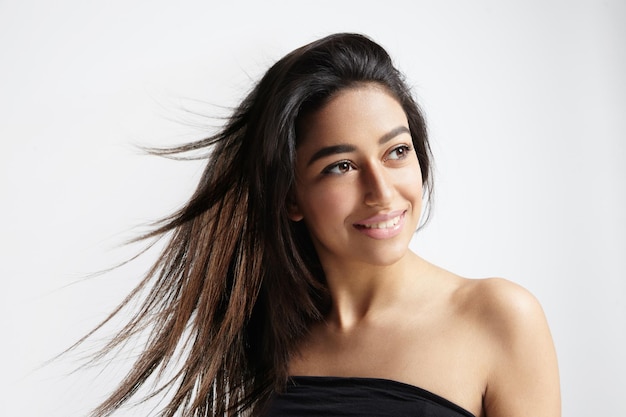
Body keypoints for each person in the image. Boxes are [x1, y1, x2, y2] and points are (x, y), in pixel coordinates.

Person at [81, 33, 560, 417]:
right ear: (291, 196)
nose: (382, 191)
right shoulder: (266, 336)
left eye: (396, 152)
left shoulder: (498, 317)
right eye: (341, 167)